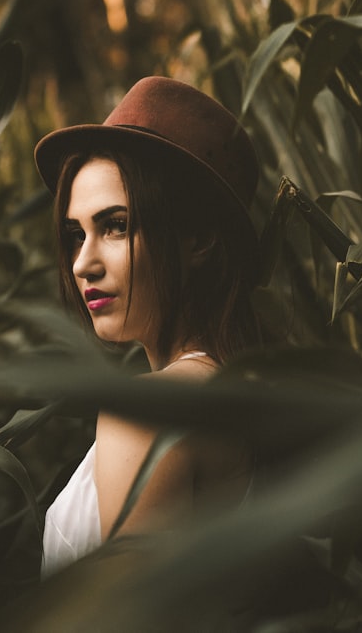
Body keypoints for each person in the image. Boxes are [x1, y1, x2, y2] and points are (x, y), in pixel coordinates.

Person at [34, 76, 263, 577]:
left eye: (115, 225)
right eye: (77, 234)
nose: (81, 264)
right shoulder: (250, 393)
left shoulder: (144, 414)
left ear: (199, 237)